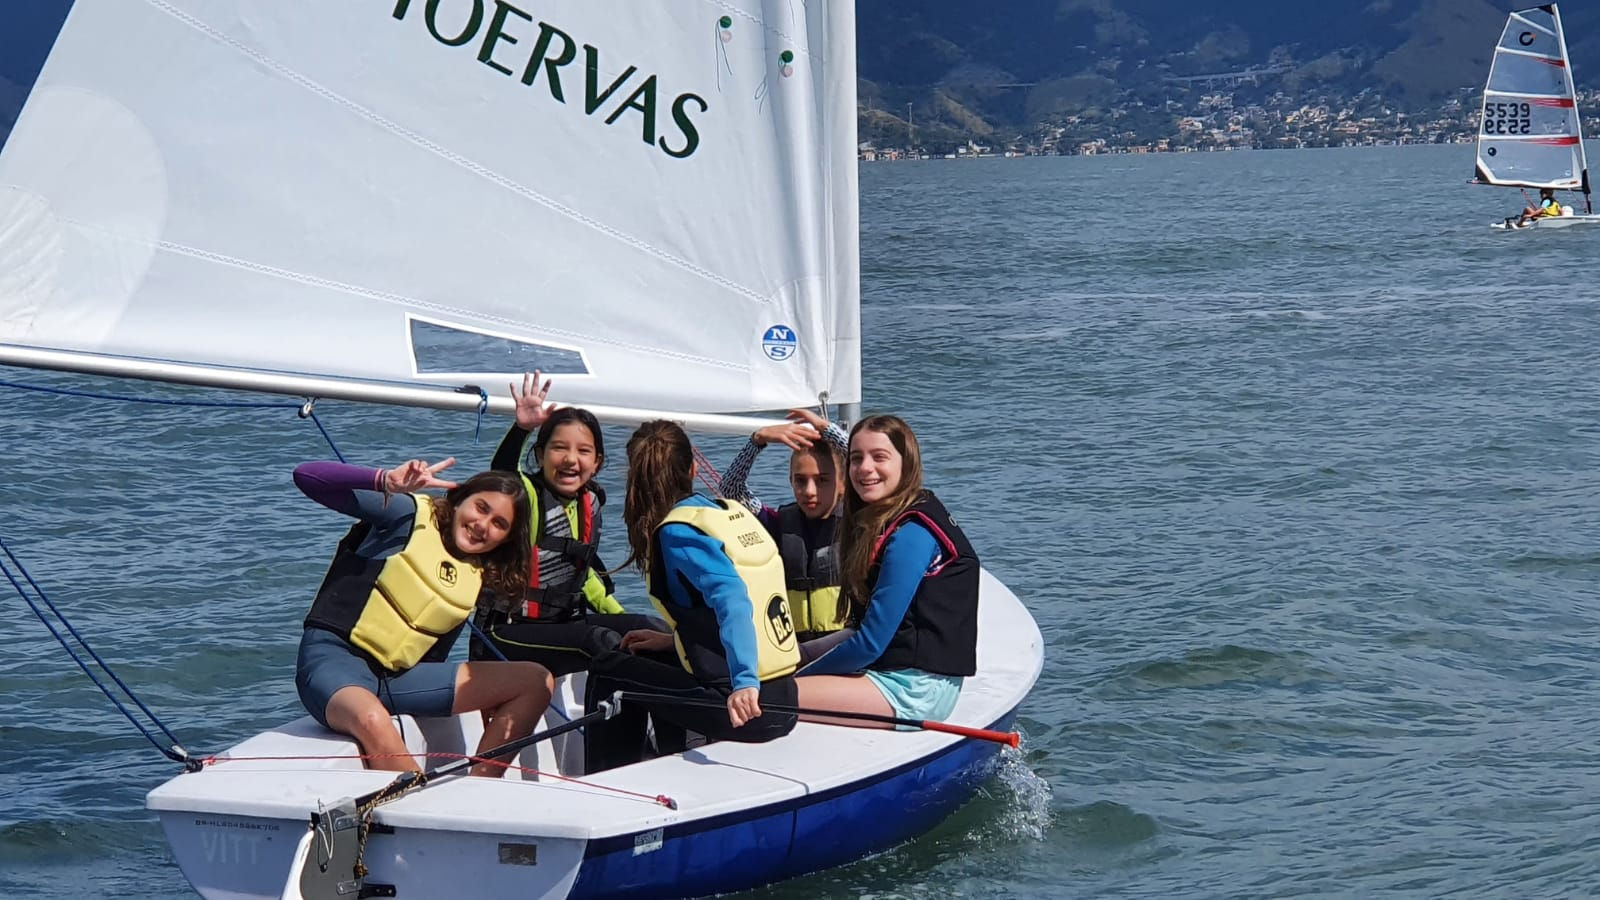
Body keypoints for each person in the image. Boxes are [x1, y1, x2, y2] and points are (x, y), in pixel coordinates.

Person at [293, 457, 553, 776]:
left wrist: (491, 696)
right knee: (372, 719)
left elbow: (432, 657)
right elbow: (307, 476)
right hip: (333, 665)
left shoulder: (476, 575)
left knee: (535, 681)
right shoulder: (406, 514)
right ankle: (423, 808)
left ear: (506, 539)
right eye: (481, 507)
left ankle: (479, 787)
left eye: (499, 524)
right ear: (459, 500)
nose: (483, 525)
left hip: (398, 680)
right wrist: (384, 480)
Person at [582, 420, 800, 773]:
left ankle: (611, 779)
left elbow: (734, 599)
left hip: (744, 707)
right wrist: (672, 641)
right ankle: (670, 756)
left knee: (609, 669)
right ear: (693, 469)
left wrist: (744, 683)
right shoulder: (728, 514)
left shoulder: (679, 532)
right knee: (648, 659)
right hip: (785, 699)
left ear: (633, 477)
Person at [471, 372, 668, 676]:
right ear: (540, 455)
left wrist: (623, 618)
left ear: (597, 462)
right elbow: (504, 473)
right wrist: (522, 429)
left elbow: (583, 576)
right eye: (559, 448)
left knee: (650, 631)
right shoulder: (526, 498)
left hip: (562, 627)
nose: (570, 459)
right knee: (599, 641)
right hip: (504, 634)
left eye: (583, 451)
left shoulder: (588, 503)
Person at [795, 415, 979, 730]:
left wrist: (797, 677)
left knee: (771, 696)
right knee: (777, 669)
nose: (865, 468)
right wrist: (794, 657)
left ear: (906, 463)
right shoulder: (887, 516)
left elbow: (870, 643)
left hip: (914, 689)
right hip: (892, 670)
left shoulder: (912, 534)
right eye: (856, 459)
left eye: (880, 457)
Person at [719, 408, 850, 647]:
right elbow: (731, 489)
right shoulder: (779, 524)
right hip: (795, 650)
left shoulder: (858, 521)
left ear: (843, 483)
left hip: (845, 649)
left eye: (822, 480)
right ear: (790, 480)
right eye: (800, 480)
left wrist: (827, 429)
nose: (809, 491)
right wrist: (757, 441)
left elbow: (869, 464)